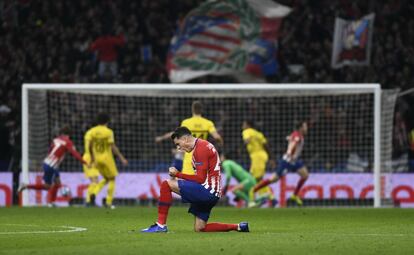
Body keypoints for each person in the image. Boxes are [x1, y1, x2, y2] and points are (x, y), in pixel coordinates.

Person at [142, 127, 249, 233]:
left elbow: (200, 179)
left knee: (166, 184)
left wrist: (178, 174)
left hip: (207, 191)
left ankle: (160, 225)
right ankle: (238, 226)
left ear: (185, 139)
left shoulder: (200, 149)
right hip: (213, 192)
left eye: (178, 144)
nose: (179, 148)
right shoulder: (202, 146)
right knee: (200, 228)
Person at [18, 126, 89, 206]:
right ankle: (26, 186)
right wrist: (85, 162)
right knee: (47, 186)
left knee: (58, 183)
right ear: (70, 134)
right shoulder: (68, 142)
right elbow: (75, 154)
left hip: (49, 163)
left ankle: (52, 202)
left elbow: (50, 151)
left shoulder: (56, 140)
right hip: (51, 165)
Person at [155, 101, 223, 175]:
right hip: (202, 157)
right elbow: (217, 137)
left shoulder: (186, 122)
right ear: (201, 110)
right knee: (202, 181)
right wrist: (221, 144)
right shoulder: (208, 123)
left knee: (187, 181)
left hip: (189, 157)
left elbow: (176, 135)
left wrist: (161, 138)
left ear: (192, 109)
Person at [253, 121, 309, 206]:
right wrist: (290, 152)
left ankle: (294, 195)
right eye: (305, 126)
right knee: (273, 179)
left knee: (305, 175)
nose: (306, 128)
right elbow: (293, 144)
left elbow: (292, 140)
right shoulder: (298, 136)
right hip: (287, 161)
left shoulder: (296, 134)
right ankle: (253, 190)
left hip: (294, 161)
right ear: (301, 128)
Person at [88, 113, 128, 209]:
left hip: (97, 159)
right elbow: (112, 146)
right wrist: (121, 157)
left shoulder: (92, 131)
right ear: (107, 121)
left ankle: (93, 193)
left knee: (106, 178)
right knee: (112, 179)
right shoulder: (108, 132)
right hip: (107, 158)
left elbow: (89, 146)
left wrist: (92, 157)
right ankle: (108, 202)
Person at [241, 120, 276, 207]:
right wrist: (271, 158)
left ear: (248, 125)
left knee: (253, 179)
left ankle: (252, 201)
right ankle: (271, 197)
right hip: (263, 155)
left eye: (243, 124)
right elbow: (266, 146)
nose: (242, 126)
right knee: (259, 180)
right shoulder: (258, 133)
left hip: (257, 157)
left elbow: (247, 140)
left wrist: (244, 144)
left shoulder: (246, 131)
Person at [82, 123, 101, 206]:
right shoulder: (92, 134)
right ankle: (88, 201)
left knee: (95, 182)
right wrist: (92, 159)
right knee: (95, 181)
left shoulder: (88, 134)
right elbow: (90, 147)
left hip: (89, 157)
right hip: (90, 158)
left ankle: (90, 201)